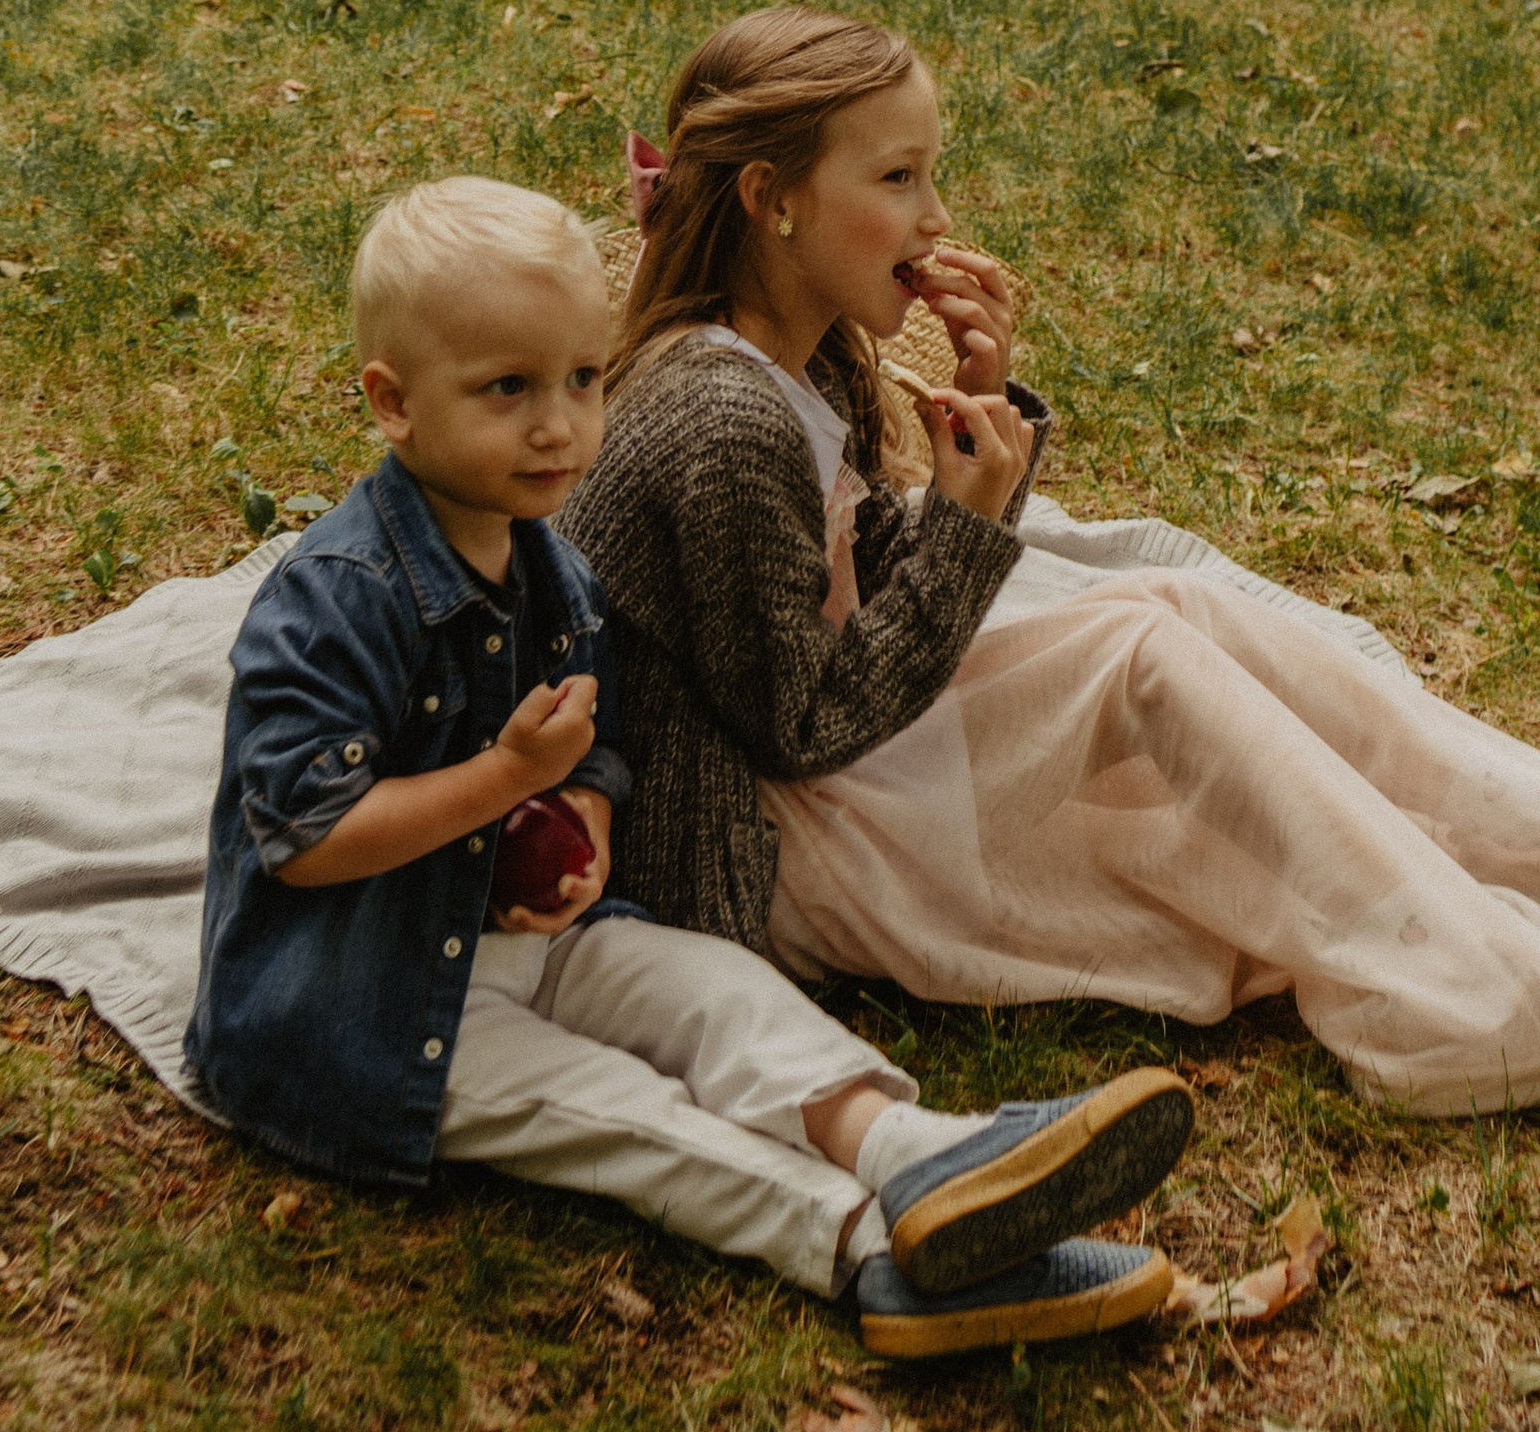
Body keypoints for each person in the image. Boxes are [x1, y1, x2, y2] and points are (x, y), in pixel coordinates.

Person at [565, 10, 1540, 1123]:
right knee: (1133, 650)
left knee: (1170, 603)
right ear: (773, 200)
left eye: (931, 172)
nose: (937, 218)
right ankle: (1478, 1017)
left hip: (831, 763)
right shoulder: (713, 416)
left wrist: (979, 430)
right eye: (898, 179)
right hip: (760, 840)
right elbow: (803, 722)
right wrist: (973, 528)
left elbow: (864, 569)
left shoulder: (806, 348)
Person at [185, 173, 1196, 1358]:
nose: (558, 425)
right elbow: (304, 840)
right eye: (506, 390)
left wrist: (583, 816)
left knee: (717, 995)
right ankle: (871, 1254)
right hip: (361, 1004)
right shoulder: (334, 600)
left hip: (525, 933)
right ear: (393, 404)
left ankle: (912, 1152)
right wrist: (506, 781)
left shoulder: (546, 564)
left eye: (579, 379)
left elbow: (595, 740)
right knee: (627, 1114)